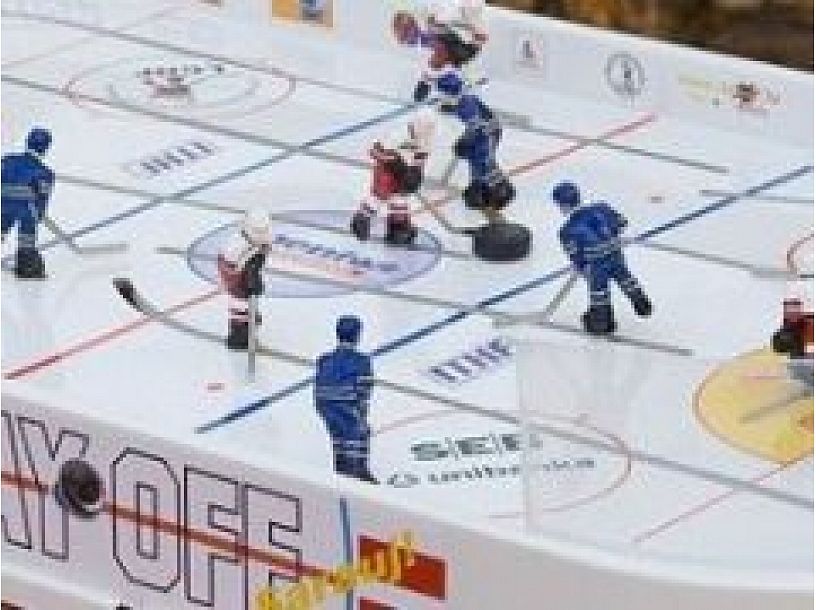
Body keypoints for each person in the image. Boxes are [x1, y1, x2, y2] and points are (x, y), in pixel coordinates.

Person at [552, 181, 652, 335]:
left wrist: (584, 270)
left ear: (562, 205)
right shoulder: (602, 208)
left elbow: (576, 257)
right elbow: (622, 223)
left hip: (596, 266)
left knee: (599, 293)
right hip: (616, 256)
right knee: (626, 278)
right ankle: (641, 302)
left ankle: (602, 322)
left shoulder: (566, 231)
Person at [351, 111, 435, 246]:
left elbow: (421, 158)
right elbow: (374, 150)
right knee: (379, 196)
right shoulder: (398, 134)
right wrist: (391, 160)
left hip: (404, 171)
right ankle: (362, 220)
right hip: (386, 169)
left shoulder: (426, 139)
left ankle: (397, 227)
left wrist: (416, 174)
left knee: (399, 198)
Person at [314, 316, 378, 484]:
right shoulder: (362, 361)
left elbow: (319, 384)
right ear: (357, 335)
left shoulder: (324, 359)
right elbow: (364, 392)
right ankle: (358, 471)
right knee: (359, 433)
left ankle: (342, 468)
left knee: (338, 435)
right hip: (345, 403)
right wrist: (361, 416)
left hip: (324, 403)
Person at [2, 127, 55, 279]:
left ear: (27, 142)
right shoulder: (45, 173)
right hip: (26, 210)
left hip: (2, 206)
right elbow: (42, 200)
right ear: (45, 148)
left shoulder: (7, 160)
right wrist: (39, 215)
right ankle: (27, 265)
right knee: (27, 236)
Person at [217, 209, 271, 350]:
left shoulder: (261, 239)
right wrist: (247, 280)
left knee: (246, 299)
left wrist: (254, 272)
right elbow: (230, 269)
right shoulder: (236, 247)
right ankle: (239, 333)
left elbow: (261, 255)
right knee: (240, 302)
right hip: (235, 273)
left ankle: (248, 320)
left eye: (263, 230)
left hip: (245, 269)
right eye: (258, 231)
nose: (261, 234)